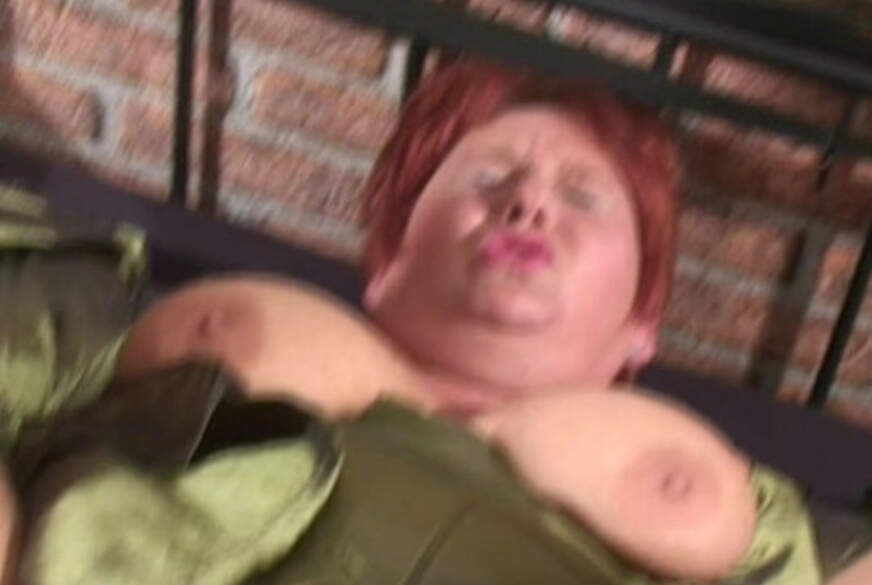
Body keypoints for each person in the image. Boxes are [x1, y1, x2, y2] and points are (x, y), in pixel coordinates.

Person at [1, 58, 870, 585]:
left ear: (640, 326)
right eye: (489, 177)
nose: (529, 203)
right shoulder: (144, 312)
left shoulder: (743, 500)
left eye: (583, 197)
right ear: (389, 259)